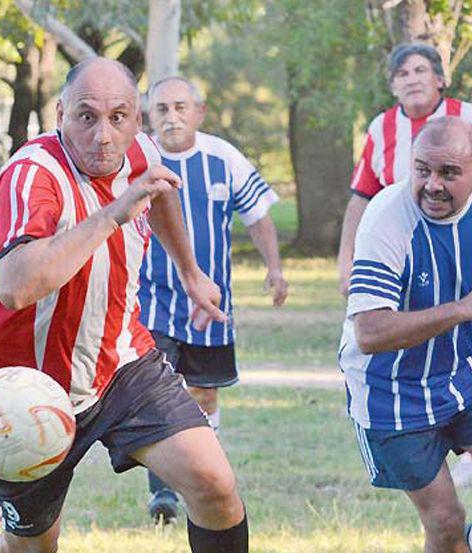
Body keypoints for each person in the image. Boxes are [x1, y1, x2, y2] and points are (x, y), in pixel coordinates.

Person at [0, 57, 249, 553]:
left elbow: (156, 191)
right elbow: (15, 286)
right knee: (31, 546)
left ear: (137, 119)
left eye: (119, 117)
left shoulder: (139, 150)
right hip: (25, 386)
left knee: (214, 486)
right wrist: (114, 213)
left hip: (120, 364)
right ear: (59, 115)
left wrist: (189, 271)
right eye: (86, 116)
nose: (103, 135)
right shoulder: (32, 175)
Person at [336, 43, 472, 486]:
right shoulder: (383, 142)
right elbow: (361, 198)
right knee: (445, 522)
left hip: (464, 359)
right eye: (402, 72)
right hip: (392, 379)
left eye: (449, 172)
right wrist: (346, 261)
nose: (433, 184)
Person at [137, 76, 288, 523]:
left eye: (181, 107)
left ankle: (206, 478)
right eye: (162, 108)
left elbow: (258, 216)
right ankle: (162, 490)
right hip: (152, 302)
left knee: (203, 394)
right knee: (157, 393)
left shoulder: (223, 158)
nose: (172, 116)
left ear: (199, 113)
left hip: (210, 304)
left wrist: (274, 269)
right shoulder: (140, 158)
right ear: (150, 115)